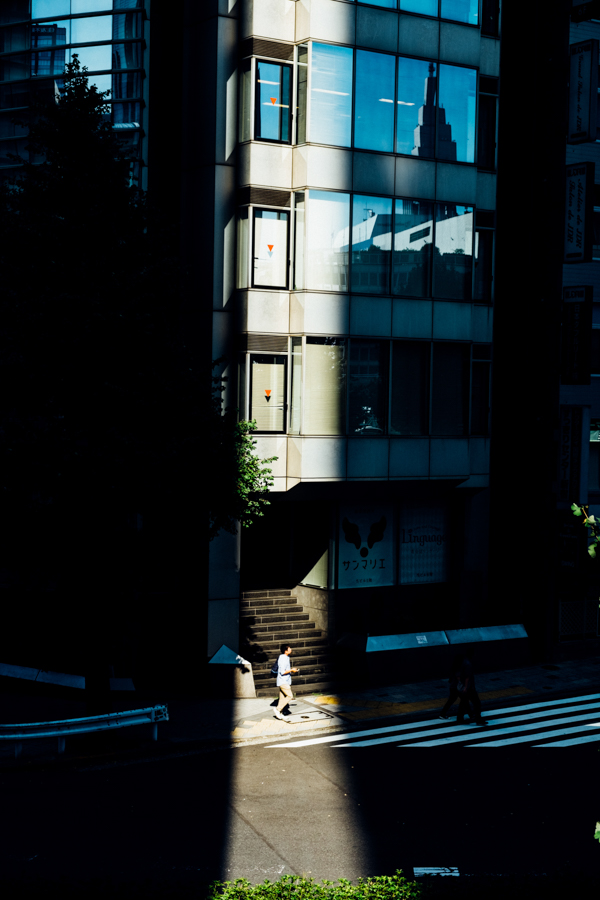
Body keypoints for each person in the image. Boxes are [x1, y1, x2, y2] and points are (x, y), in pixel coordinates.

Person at [455, 655, 488, 726]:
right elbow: (467, 677)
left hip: (463, 687)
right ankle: (478, 719)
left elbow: (458, 676)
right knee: (477, 703)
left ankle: (460, 719)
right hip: (469, 688)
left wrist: (461, 685)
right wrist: (466, 687)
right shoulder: (467, 664)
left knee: (463, 703)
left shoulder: (459, 664)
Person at [274, 643, 298, 722]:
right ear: (285, 651)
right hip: (283, 681)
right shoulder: (283, 658)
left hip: (285, 680)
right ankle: (278, 709)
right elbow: (282, 671)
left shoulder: (285, 657)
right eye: (289, 648)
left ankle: (280, 714)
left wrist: (291, 670)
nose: (291, 649)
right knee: (290, 696)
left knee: (282, 699)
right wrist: (292, 670)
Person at [438, 652, 464, 720]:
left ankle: (442, 714)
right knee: (463, 700)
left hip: (453, 686)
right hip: (457, 687)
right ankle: (468, 715)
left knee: (451, 700)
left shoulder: (454, 667)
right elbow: (459, 678)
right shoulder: (458, 668)